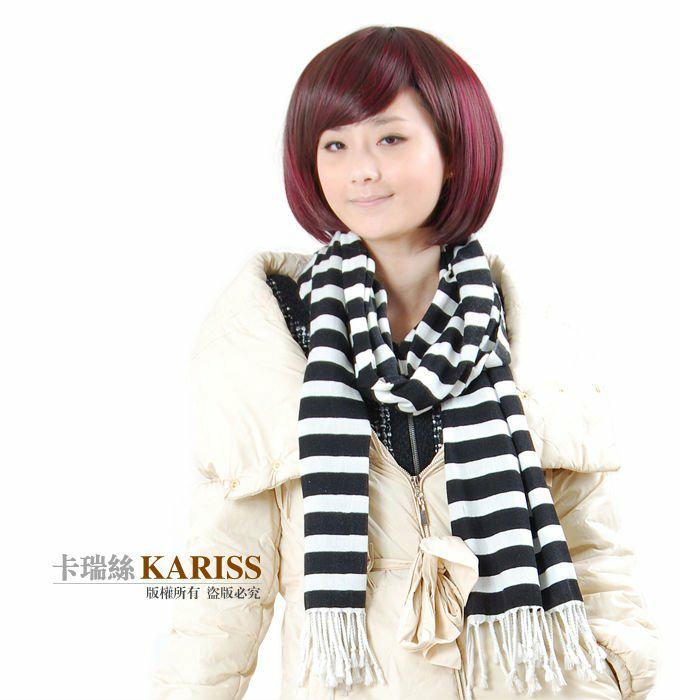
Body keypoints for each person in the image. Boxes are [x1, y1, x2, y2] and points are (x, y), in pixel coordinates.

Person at [151, 26, 660, 700]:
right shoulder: (271, 338)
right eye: (335, 144)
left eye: (390, 139)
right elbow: (223, 580)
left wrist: (616, 673)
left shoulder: (524, 332)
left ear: (454, 152)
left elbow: (594, 549)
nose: (361, 169)